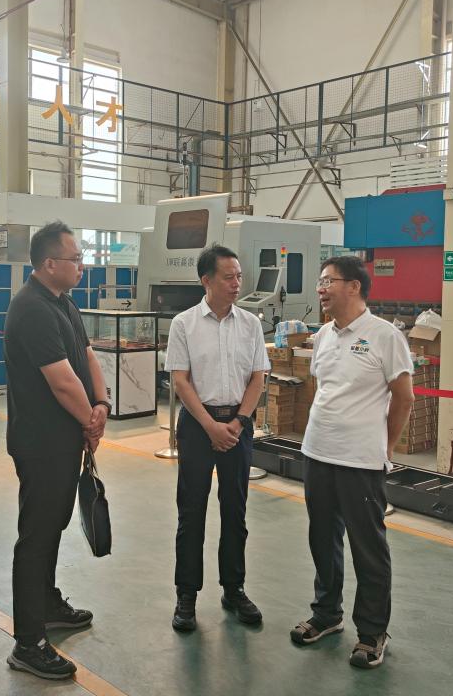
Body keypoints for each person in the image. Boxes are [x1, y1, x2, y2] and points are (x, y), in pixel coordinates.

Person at [290, 256, 414, 670]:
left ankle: (372, 631)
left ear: (354, 287)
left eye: (328, 281)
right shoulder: (324, 335)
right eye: (320, 281)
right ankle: (327, 614)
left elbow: (404, 397)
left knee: (368, 547)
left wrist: (386, 446)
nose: (321, 288)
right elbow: (324, 389)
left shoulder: (385, 336)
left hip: (360, 461)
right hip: (317, 454)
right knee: (322, 539)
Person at [4, 221, 111, 681]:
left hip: (64, 441)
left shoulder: (63, 301)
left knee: (52, 528)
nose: (82, 265)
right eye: (75, 258)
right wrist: (90, 420)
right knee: (37, 536)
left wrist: (102, 404)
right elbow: (62, 381)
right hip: (41, 444)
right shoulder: (31, 308)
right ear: (49, 263)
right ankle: (28, 643)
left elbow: (86, 356)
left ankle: (46, 605)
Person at [164, 244, 270, 632]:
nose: (236, 283)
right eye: (229, 277)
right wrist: (210, 426)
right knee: (191, 511)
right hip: (197, 426)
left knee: (235, 510)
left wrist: (239, 422)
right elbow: (180, 381)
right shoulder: (184, 324)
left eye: (239, 276)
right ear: (206, 281)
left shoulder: (250, 324)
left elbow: (258, 377)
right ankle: (186, 595)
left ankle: (234, 589)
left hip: (238, 425)